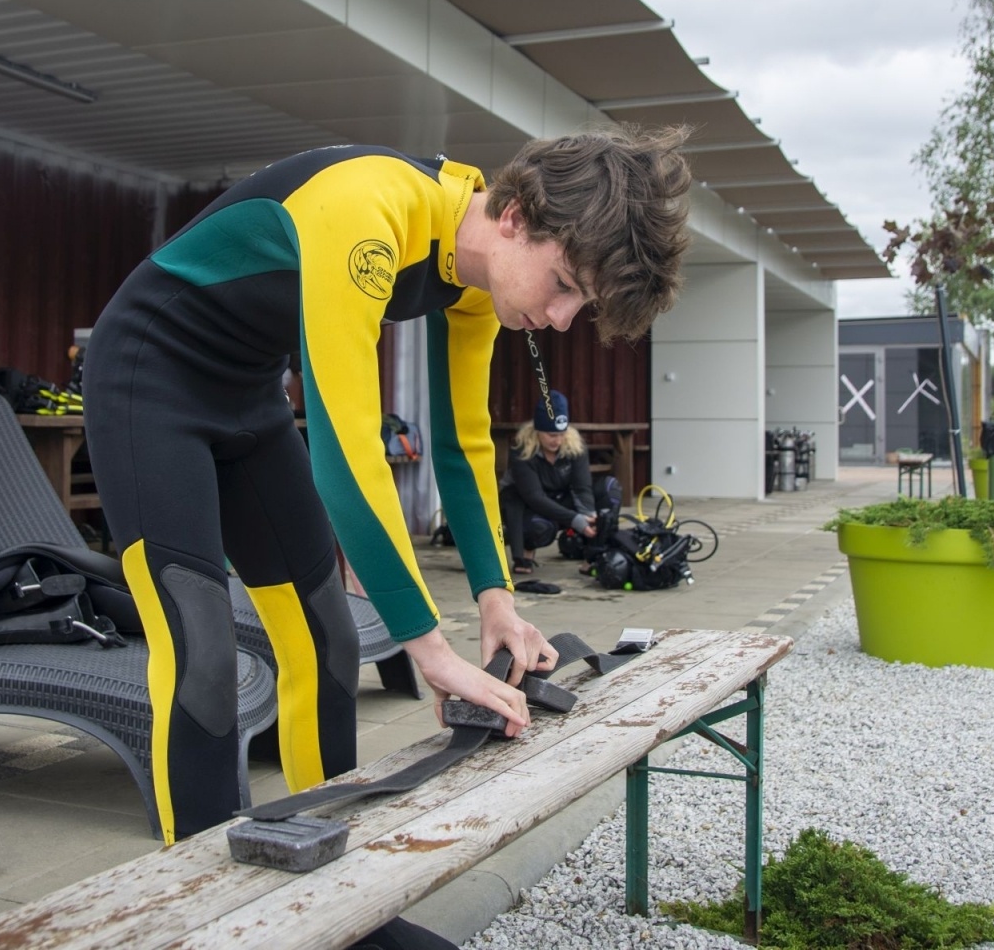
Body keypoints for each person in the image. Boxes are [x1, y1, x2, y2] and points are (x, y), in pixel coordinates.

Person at [82, 126, 692, 847]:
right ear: (515, 217)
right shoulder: (369, 206)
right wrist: (430, 648)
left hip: (248, 395)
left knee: (327, 638)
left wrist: (497, 601)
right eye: (563, 286)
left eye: (578, 305)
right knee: (203, 654)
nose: (561, 320)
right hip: (146, 380)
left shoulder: (474, 274)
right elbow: (347, 450)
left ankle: (314, 854)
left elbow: (463, 449)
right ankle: (199, 895)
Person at [500, 389, 598, 574]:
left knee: (608, 489)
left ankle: (595, 555)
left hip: (559, 497)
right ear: (537, 430)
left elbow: (582, 486)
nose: (557, 440)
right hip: (527, 504)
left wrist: (588, 517)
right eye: (551, 435)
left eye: (561, 434)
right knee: (540, 528)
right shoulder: (521, 449)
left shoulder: (575, 445)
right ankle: (522, 551)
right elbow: (534, 497)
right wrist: (575, 520)